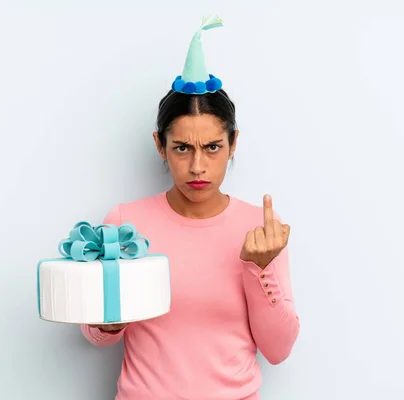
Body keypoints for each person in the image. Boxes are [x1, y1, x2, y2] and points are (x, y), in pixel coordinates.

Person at [80, 14, 300, 400]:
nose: (197, 166)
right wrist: (109, 323)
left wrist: (258, 269)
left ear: (233, 144)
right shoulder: (125, 223)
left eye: (213, 147)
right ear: (160, 145)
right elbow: (97, 336)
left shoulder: (259, 228)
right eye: (182, 148)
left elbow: (278, 350)